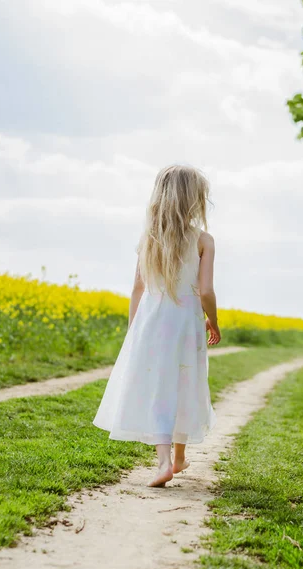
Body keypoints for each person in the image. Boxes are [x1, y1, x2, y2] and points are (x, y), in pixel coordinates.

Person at [93, 164, 221, 487]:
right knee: (185, 381)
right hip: (184, 323)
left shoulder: (149, 238)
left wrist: (133, 330)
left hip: (151, 321)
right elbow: (205, 291)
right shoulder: (203, 240)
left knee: (158, 386)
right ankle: (178, 457)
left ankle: (166, 461)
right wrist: (213, 321)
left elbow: (137, 289)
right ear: (194, 200)